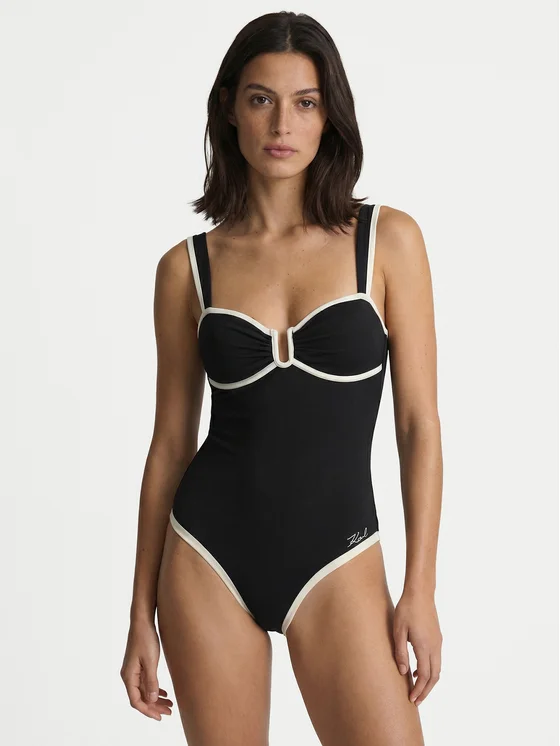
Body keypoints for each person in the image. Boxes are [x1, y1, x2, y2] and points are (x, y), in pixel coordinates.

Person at [120, 11, 443, 745]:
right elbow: (170, 445)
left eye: (305, 102)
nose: (282, 124)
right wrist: (141, 612)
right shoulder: (186, 270)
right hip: (205, 558)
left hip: (339, 560)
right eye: (261, 98)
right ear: (230, 108)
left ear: (330, 115)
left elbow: (418, 425)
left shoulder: (387, 241)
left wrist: (420, 589)